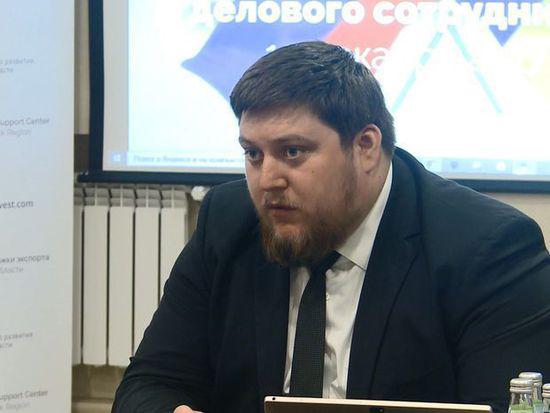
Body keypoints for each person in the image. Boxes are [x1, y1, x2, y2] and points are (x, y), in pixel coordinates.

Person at [112, 41, 550, 413]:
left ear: (365, 147)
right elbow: (150, 383)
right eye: (253, 154)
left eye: (293, 152)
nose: (267, 180)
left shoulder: (487, 248)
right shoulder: (228, 221)